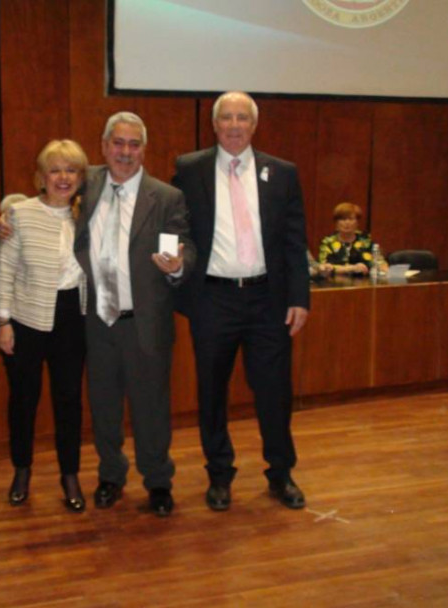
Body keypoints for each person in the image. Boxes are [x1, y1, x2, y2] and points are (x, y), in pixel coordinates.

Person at [172, 91, 310, 512]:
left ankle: (281, 472)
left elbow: (293, 239)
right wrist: (171, 256)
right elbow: (176, 225)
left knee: (274, 392)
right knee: (212, 391)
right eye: (226, 118)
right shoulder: (190, 168)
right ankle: (219, 474)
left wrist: (300, 298)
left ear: (254, 125)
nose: (234, 125)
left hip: (268, 300)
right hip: (213, 299)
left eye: (242, 118)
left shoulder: (282, 173)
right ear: (214, 125)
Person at [73, 111, 196, 517]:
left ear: (144, 150)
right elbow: (43, 198)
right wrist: (9, 215)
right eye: (118, 143)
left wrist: (178, 266)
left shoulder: (165, 197)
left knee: (151, 409)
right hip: (96, 320)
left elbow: (185, 248)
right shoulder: (84, 183)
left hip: (144, 323)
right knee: (103, 404)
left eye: (134, 144)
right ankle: (111, 475)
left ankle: (158, 480)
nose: (125, 152)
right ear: (104, 146)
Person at [0, 140, 88, 513]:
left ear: (81, 178)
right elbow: (5, 270)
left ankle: (70, 475)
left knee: (69, 401)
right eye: (55, 170)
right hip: (26, 319)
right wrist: (3, 321)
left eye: (72, 170)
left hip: (72, 318)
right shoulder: (19, 213)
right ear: (41, 176)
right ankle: (22, 470)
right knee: (23, 400)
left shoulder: (88, 214)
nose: (63, 177)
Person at [318, 202, 382, 275]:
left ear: (357, 223)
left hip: (363, 283)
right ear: (336, 223)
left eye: (351, 219)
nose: (347, 222)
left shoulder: (366, 241)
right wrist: (351, 268)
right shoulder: (328, 242)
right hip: (333, 284)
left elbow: (380, 263)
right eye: (343, 219)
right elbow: (322, 267)